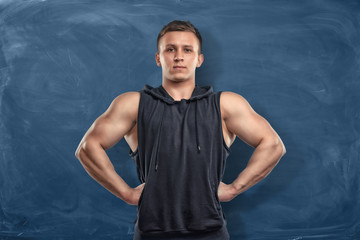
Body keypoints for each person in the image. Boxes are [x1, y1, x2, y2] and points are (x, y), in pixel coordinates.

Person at [75, 20, 286, 240]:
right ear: (158, 58)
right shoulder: (133, 104)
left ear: (199, 59)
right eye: (170, 49)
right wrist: (126, 194)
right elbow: (87, 147)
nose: (178, 56)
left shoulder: (225, 105)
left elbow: (273, 145)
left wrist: (234, 188)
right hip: (152, 232)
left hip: (210, 232)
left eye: (187, 50)